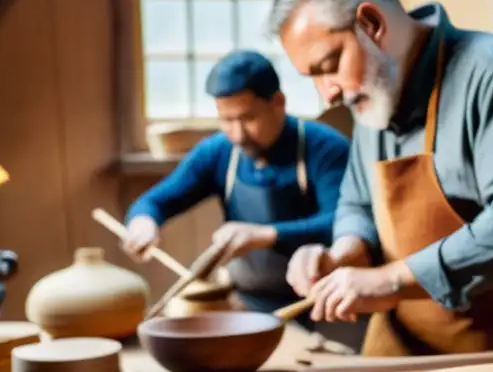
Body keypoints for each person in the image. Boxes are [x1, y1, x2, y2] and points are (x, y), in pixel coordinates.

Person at [270, 0, 493, 355]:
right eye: (314, 77)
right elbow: (356, 203)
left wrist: (388, 281)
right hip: (403, 342)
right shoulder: (372, 98)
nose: (328, 93)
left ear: (371, 24)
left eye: (330, 65)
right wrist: (345, 253)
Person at [123, 50, 351, 322]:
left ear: (278, 102)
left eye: (248, 118)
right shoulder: (219, 151)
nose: (238, 134)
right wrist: (143, 221)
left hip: (323, 303)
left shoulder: (324, 148)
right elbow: (155, 201)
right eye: (227, 120)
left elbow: (343, 223)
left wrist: (265, 235)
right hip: (248, 305)